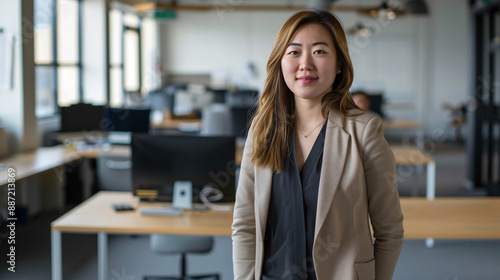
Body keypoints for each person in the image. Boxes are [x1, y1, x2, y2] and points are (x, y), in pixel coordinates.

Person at [232, 9, 404, 280]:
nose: (306, 64)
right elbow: (245, 225)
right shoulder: (262, 130)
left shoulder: (364, 132)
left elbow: (389, 230)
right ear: (280, 62)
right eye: (294, 52)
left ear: (339, 65)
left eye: (320, 52)